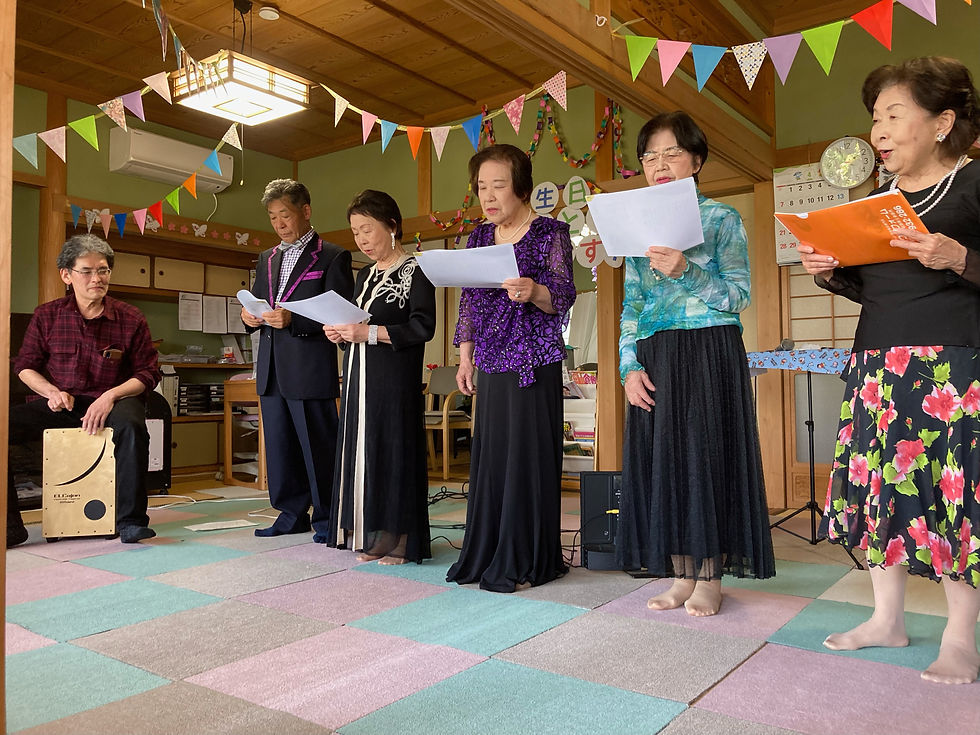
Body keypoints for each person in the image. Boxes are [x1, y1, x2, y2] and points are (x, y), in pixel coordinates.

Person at [800, 57, 980, 685]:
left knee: (953, 496)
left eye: (893, 115)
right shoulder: (879, 201)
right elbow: (875, 288)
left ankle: (960, 637)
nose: (877, 131)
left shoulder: (975, 183)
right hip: (877, 362)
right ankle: (886, 619)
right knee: (880, 488)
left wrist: (959, 257)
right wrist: (830, 270)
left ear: (942, 123)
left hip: (954, 365)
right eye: (875, 117)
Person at [617, 111, 774, 617]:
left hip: (709, 348)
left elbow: (738, 296)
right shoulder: (637, 231)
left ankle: (711, 578)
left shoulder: (721, 218)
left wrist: (686, 270)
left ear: (697, 161)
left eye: (672, 153)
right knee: (666, 463)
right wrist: (627, 367)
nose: (659, 165)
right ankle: (682, 574)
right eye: (649, 157)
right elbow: (632, 305)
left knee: (705, 458)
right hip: (656, 354)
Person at [446, 143, 575, 592]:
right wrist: (465, 357)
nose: (488, 195)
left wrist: (534, 291)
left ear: (521, 187)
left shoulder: (550, 233)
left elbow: (564, 294)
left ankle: (528, 557)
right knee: (494, 456)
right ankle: (488, 552)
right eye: (482, 186)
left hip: (534, 360)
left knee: (527, 457)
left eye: (498, 185)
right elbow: (469, 303)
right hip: (492, 359)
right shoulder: (478, 238)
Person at [7, 234, 161, 545]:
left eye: (103, 270)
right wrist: (51, 391)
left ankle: (130, 521)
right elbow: (24, 365)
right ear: (66, 275)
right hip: (61, 402)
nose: (97, 278)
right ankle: (10, 526)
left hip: (113, 399)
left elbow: (148, 372)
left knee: (132, 425)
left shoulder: (131, 317)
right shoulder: (47, 315)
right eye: (87, 271)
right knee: (2, 426)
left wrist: (110, 396)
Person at [323, 190, 436, 564]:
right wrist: (341, 334)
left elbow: (423, 327)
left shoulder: (417, 270)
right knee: (365, 452)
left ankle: (399, 539)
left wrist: (367, 333)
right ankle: (373, 532)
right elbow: (357, 324)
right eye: (356, 232)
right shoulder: (364, 274)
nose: (362, 240)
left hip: (394, 380)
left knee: (391, 452)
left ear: (391, 226)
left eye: (367, 229)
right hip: (358, 377)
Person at [242, 179, 354, 540]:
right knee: (280, 448)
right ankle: (291, 514)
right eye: (273, 217)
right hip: (271, 367)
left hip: (309, 368)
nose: (279, 224)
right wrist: (248, 317)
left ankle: (328, 517)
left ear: (305, 211)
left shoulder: (332, 255)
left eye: (285, 215)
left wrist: (295, 320)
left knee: (319, 447)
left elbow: (340, 315)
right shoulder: (267, 258)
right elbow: (257, 301)